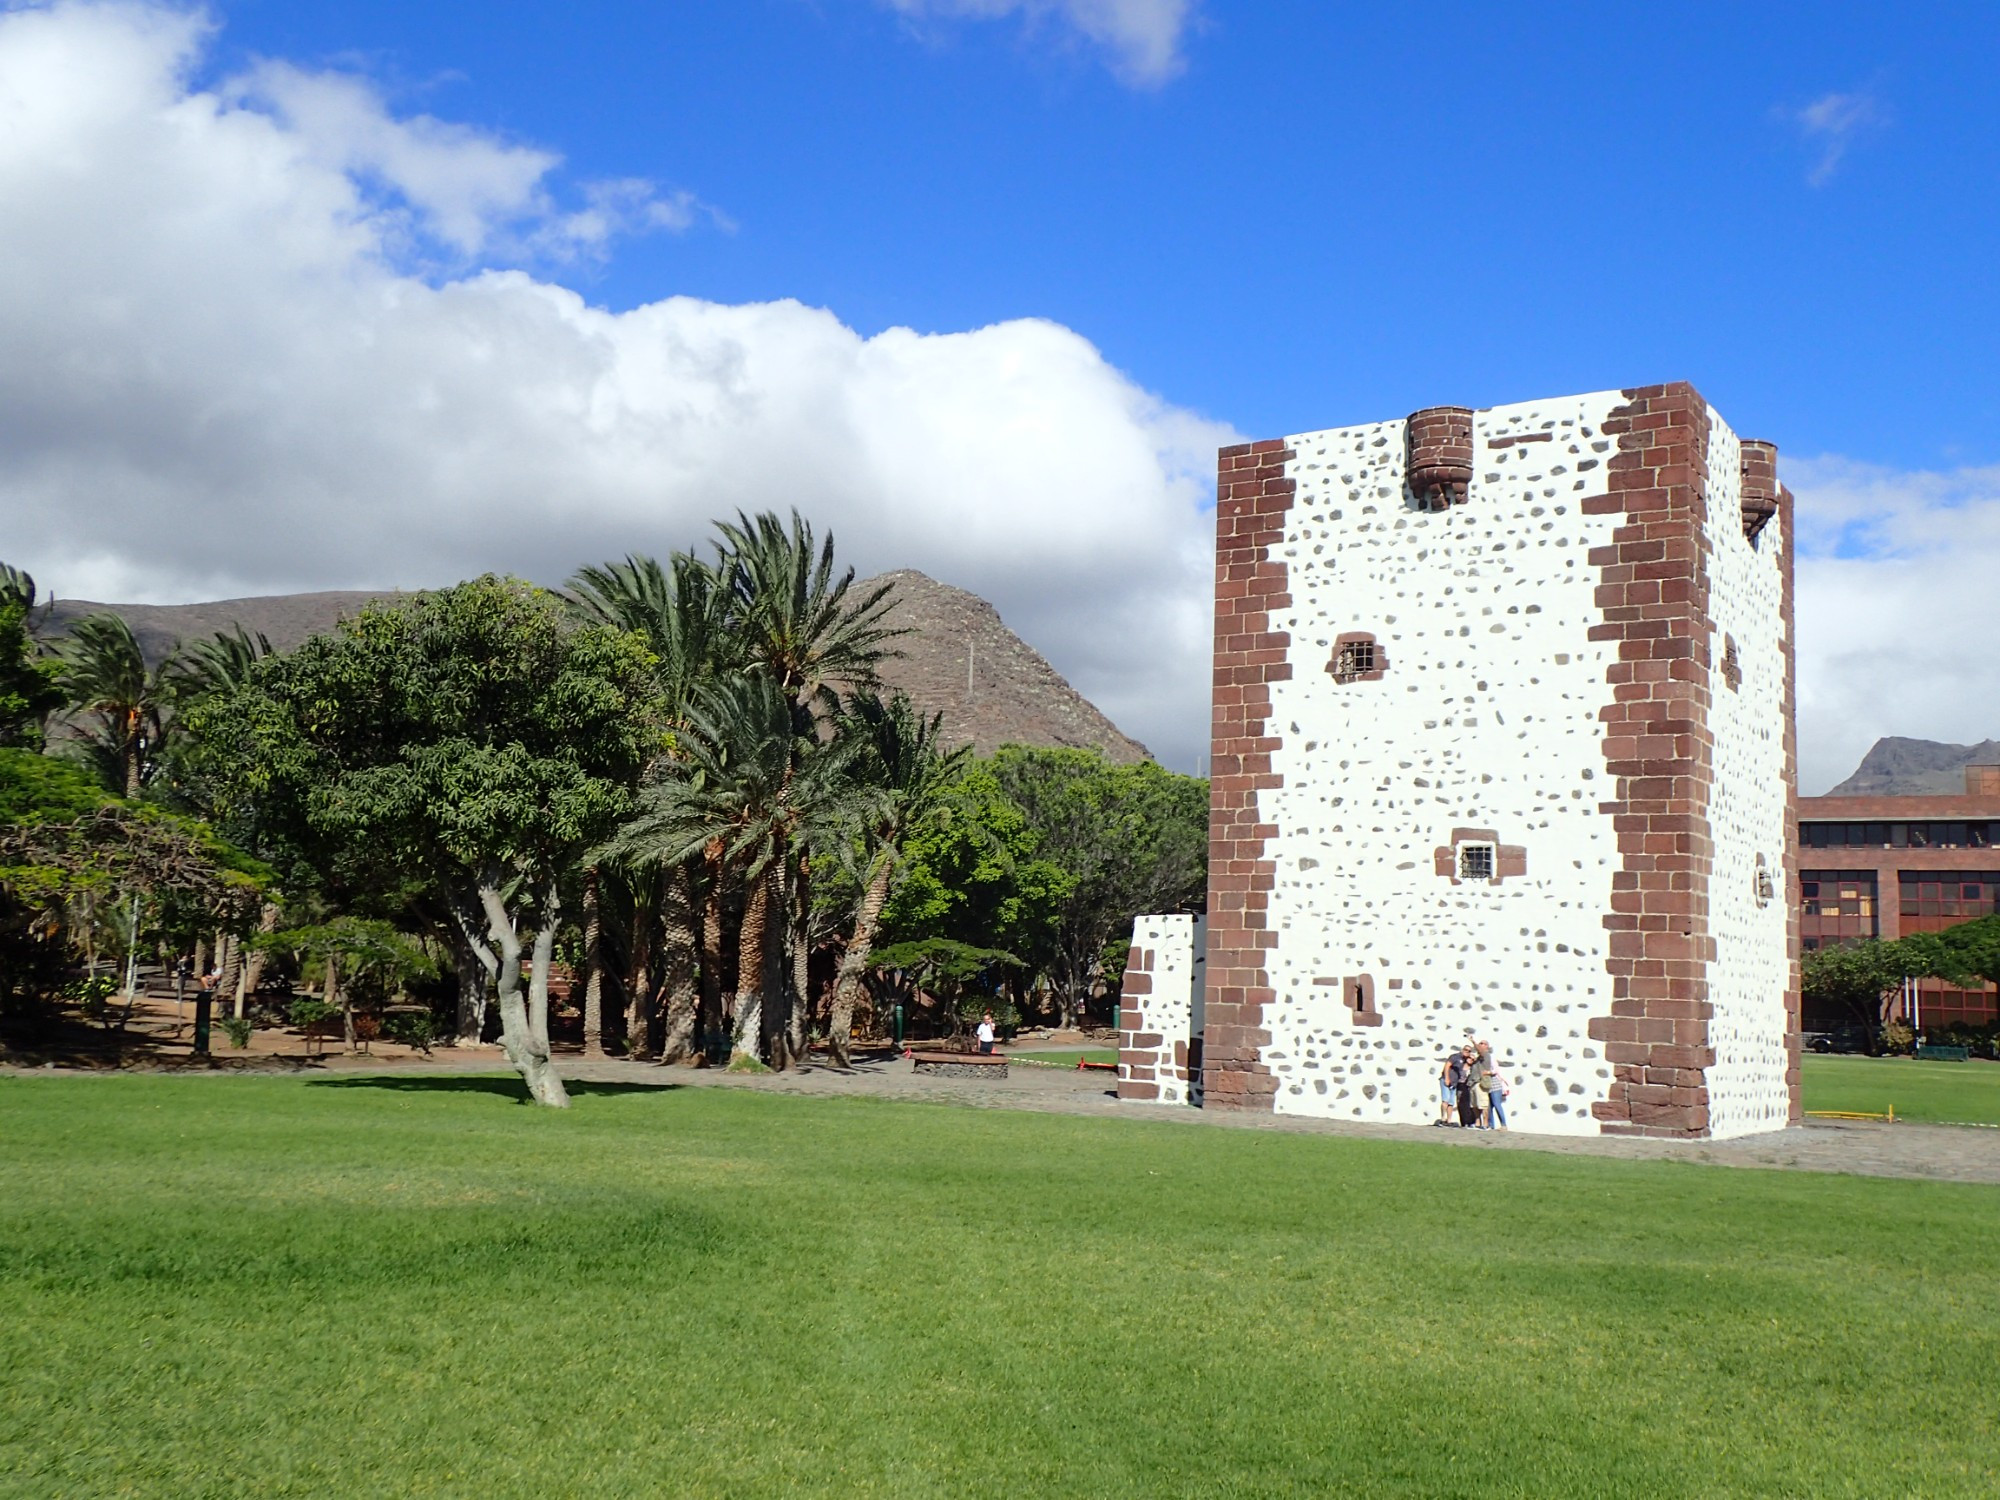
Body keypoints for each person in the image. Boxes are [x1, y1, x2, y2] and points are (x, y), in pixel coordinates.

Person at [1486, 1064, 1511, 1131]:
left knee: (1497, 1105)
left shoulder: (1491, 1059)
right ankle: (1491, 1125)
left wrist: (1487, 1072)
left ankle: (1503, 1125)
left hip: (1495, 1086)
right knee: (1489, 1107)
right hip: (1488, 1087)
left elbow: (1495, 1070)